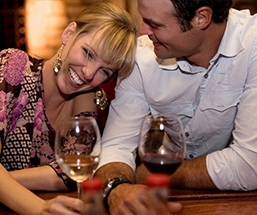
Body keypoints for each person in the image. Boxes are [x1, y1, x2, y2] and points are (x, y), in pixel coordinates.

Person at [95, 0, 257, 214]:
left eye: (155, 25)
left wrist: (151, 174)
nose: (143, 31)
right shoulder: (141, 57)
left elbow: (248, 166)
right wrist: (116, 188)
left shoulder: (252, 46)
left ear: (201, 18)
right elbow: (116, 145)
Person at [0, 2, 137, 215]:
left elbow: (74, 173)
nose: (89, 74)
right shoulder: (13, 67)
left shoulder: (86, 98)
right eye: (88, 53)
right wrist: (40, 208)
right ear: (69, 34)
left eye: (104, 71)